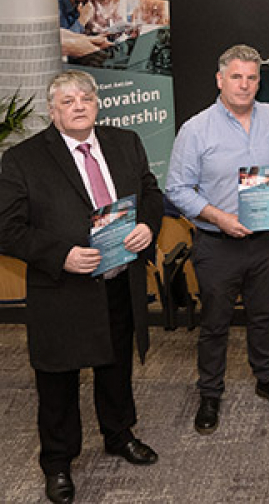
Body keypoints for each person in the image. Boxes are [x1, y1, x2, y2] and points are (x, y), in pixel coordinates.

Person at [0, 71, 163, 504]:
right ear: (53, 112)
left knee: (116, 368)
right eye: (67, 100)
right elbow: (6, 228)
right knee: (58, 382)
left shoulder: (125, 142)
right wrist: (60, 256)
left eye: (85, 97)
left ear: (97, 103)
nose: (78, 105)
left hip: (118, 282)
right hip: (62, 291)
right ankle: (57, 463)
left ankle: (118, 434)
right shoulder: (23, 159)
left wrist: (147, 224)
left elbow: (150, 190)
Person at [165, 44, 269, 435]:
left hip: (265, 239)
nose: (244, 85)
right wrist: (219, 218)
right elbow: (177, 188)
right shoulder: (196, 129)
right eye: (236, 77)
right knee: (215, 323)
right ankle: (210, 392)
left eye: (252, 77)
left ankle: (267, 378)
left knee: (262, 315)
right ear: (220, 80)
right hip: (216, 243)